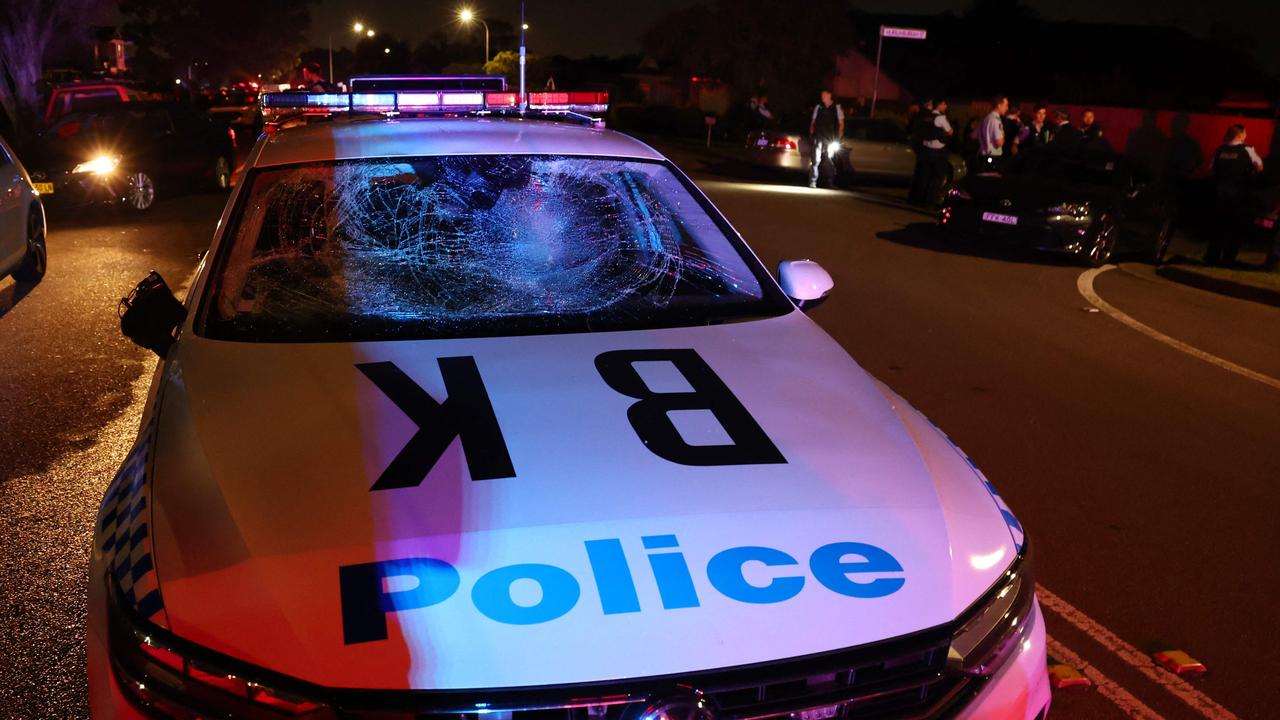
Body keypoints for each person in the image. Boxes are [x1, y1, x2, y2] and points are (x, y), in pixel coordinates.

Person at [1205, 124, 1263, 266]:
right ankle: (1228, 259)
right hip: (1238, 197)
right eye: (1245, 134)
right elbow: (1260, 167)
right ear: (1240, 135)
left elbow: (1210, 168)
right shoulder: (1247, 150)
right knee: (1235, 228)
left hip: (1219, 195)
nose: (1246, 136)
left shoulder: (1219, 150)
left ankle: (1212, 257)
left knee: (1218, 227)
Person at [919, 98, 954, 207]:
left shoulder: (926, 116)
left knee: (925, 175)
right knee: (938, 176)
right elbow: (950, 131)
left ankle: (921, 199)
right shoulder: (940, 118)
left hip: (925, 149)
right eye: (944, 104)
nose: (946, 107)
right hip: (937, 151)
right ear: (939, 105)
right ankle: (931, 201)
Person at [808, 90, 844, 188]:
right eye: (821, 95)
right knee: (816, 160)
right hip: (819, 137)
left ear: (829, 95)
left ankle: (829, 182)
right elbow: (813, 122)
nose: (822, 96)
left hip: (830, 138)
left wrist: (839, 136)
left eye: (824, 95)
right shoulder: (818, 107)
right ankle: (813, 181)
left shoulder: (836, 107)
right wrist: (812, 132)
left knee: (829, 160)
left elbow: (841, 123)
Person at [908, 98, 935, 204]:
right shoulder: (928, 116)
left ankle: (913, 197)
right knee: (924, 173)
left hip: (918, 145)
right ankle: (920, 198)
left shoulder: (918, 115)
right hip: (924, 147)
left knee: (919, 172)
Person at [976, 95, 1008, 170]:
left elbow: (973, 135)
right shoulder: (995, 120)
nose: (1007, 108)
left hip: (983, 156)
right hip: (993, 158)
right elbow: (998, 142)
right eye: (1006, 105)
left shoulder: (986, 118)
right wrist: (1003, 136)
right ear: (999, 105)